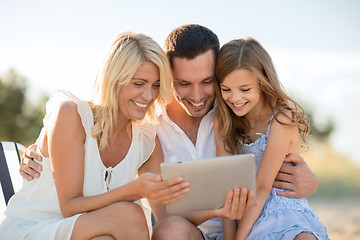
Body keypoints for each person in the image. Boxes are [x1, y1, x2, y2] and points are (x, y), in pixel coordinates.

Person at [20, 24, 318, 240]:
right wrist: (38, 150)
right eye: (183, 84)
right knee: (168, 229)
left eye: (207, 81)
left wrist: (309, 179)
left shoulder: (233, 113)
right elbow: (163, 216)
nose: (198, 95)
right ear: (167, 77)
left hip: (248, 230)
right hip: (188, 234)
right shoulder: (149, 126)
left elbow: (273, 142)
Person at [0, 32, 191, 240]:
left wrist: (219, 211)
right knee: (129, 214)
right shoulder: (71, 115)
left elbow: (166, 216)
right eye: (138, 84)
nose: (149, 96)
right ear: (113, 80)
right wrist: (133, 191)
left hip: (90, 231)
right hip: (34, 229)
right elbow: (70, 207)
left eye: (155, 85)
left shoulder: (145, 137)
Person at [214, 37, 329, 239]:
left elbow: (262, 186)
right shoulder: (222, 122)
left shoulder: (281, 120)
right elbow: (226, 186)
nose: (235, 98)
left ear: (263, 82)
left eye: (245, 89)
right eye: (226, 89)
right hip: (245, 218)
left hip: (284, 214)